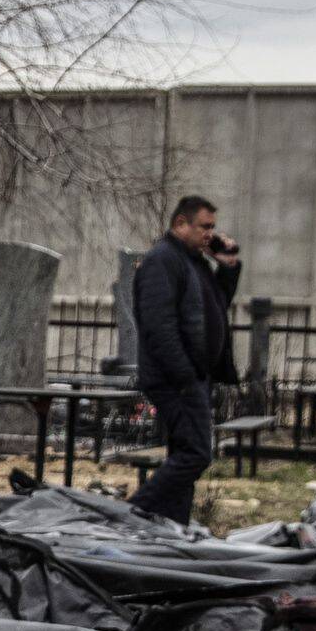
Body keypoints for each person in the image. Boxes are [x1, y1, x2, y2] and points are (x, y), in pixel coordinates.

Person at [127, 196, 242, 523]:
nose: (210, 234)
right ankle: (130, 513)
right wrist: (185, 376)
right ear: (181, 224)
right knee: (196, 453)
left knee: (184, 452)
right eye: (204, 226)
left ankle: (172, 525)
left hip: (193, 376)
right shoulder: (162, 261)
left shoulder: (193, 262)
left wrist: (228, 267)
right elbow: (158, 327)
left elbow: (216, 304)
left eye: (213, 227)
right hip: (176, 379)